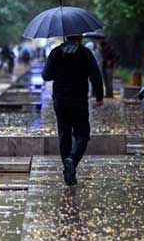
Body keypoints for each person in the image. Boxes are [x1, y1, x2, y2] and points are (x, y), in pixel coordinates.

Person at [42, 35, 104, 186]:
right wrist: (99, 96)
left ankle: (68, 171)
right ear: (80, 38)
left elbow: (46, 75)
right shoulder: (85, 53)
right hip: (79, 101)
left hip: (60, 100)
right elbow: (96, 75)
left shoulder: (56, 53)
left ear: (65, 36)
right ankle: (72, 160)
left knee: (64, 135)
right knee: (82, 134)